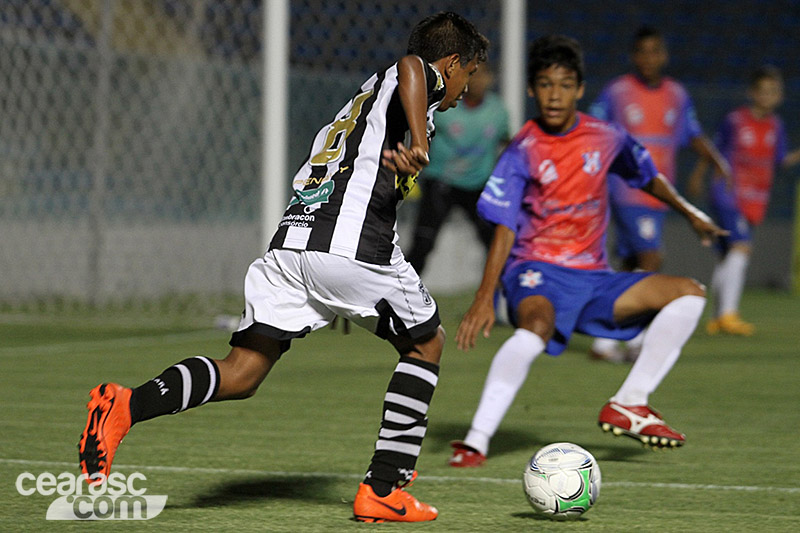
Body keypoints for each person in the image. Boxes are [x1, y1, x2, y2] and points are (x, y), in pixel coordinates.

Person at [77, 12, 489, 523]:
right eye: (466, 76)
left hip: (293, 245)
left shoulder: (367, 101)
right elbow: (412, 66)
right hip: (348, 243)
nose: (464, 90)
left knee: (243, 373)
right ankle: (384, 487)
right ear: (450, 64)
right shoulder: (415, 79)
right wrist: (423, 144)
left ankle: (123, 406)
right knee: (427, 343)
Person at [447, 34, 726, 468]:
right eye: (544, 84)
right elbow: (503, 227)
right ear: (531, 89)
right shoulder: (524, 148)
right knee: (533, 327)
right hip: (535, 270)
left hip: (594, 278)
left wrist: (689, 212)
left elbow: (646, 175)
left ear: (578, 88)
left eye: (563, 85)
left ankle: (631, 401)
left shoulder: (606, 136)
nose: (553, 95)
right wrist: (485, 296)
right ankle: (476, 441)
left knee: (689, 293)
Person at [587, 25, 731, 362]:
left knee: (631, 264)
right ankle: (636, 337)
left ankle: (603, 340)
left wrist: (714, 161)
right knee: (652, 258)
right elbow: (592, 130)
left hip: (660, 193)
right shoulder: (617, 92)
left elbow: (693, 134)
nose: (649, 58)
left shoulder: (677, 95)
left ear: (663, 55)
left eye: (655, 51)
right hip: (628, 189)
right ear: (634, 56)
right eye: (643, 52)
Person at [688, 65, 800, 336]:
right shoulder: (735, 120)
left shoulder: (776, 126)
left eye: (774, 92)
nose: (768, 96)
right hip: (728, 193)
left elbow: (780, 161)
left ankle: (716, 317)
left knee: (727, 255)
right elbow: (712, 149)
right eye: (763, 91)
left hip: (755, 198)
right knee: (741, 247)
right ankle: (729, 314)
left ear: (780, 96)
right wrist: (699, 176)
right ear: (752, 93)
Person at [405, 64, 509, 275]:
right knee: (423, 244)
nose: (478, 81)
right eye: (473, 75)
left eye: (484, 75)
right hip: (442, 182)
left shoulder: (498, 112)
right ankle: (400, 297)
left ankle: (501, 300)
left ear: (491, 79)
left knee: (496, 244)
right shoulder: (446, 107)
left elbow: (508, 143)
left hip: (478, 185)